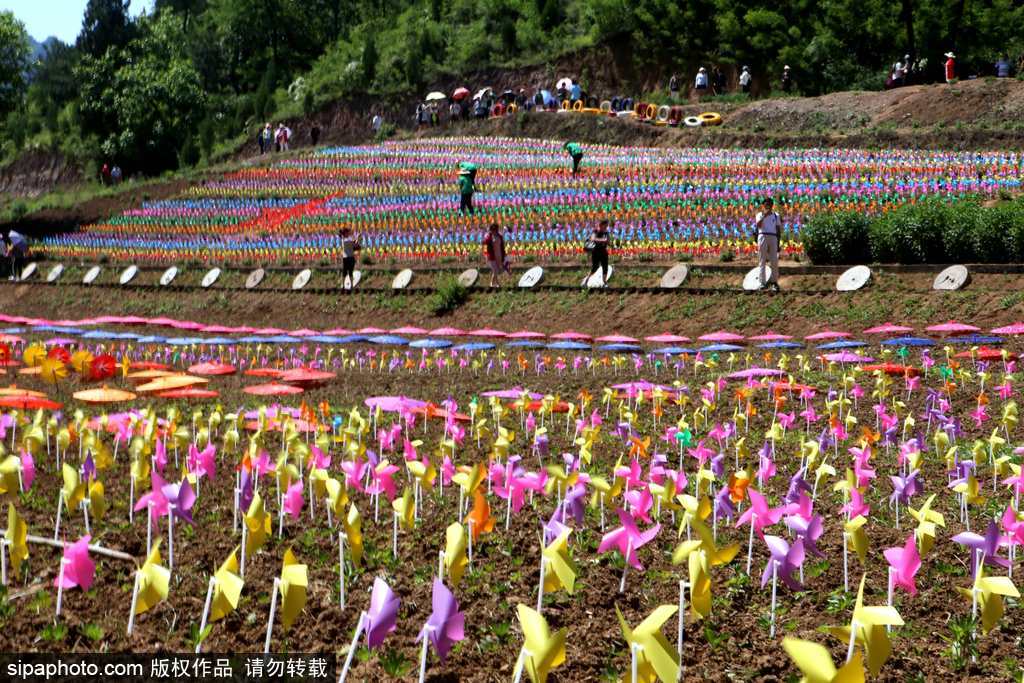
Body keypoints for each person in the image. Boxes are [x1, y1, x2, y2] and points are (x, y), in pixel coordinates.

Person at [754, 197, 781, 291]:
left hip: (773, 237)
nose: (768, 205)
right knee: (762, 260)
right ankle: (762, 283)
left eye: (769, 203)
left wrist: (778, 242)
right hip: (763, 236)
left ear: (772, 205)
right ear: (763, 205)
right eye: (766, 204)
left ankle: (774, 282)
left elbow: (778, 229)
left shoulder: (776, 215)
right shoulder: (759, 215)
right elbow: (758, 225)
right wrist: (764, 215)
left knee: (774, 260)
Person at [583, 219, 611, 287]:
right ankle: (586, 281)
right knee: (594, 268)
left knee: (605, 267)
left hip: (603, 251)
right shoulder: (595, 231)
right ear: (602, 225)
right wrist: (602, 240)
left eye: (607, 225)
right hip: (596, 252)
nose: (606, 227)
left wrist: (607, 242)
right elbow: (592, 238)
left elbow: (608, 241)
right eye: (605, 225)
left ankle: (604, 282)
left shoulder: (606, 233)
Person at [483, 223, 509, 287]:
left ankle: (497, 283)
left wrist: (504, 254)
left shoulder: (499, 236)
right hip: (492, 255)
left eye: (495, 229)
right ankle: (492, 283)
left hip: (499, 254)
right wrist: (487, 235)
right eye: (492, 229)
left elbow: (502, 245)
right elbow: (484, 242)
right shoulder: (489, 236)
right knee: (495, 270)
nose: (494, 231)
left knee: (497, 270)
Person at [339, 227, 360, 291]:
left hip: (347, 257)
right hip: (349, 258)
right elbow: (355, 244)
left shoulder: (344, 239)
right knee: (348, 272)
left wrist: (356, 238)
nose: (349, 233)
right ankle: (349, 286)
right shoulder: (346, 240)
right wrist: (357, 237)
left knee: (346, 272)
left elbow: (354, 244)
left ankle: (344, 285)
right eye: (348, 232)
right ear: (345, 233)